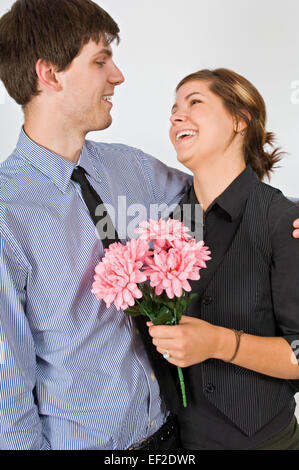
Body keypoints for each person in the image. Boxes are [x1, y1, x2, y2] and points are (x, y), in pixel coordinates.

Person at [0, 0, 191, 450]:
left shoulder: (132, 169)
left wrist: (285, 214)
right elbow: (7, 393)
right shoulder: (7, 213)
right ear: (49, 74)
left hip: (176, 434)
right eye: (100, 61)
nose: (117, 76)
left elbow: (218, 205)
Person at [148, 68, 299, 450]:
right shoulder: (168, 226)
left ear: (238, 119)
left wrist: (218, 343)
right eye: (173, 109)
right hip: (179, 443)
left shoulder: (283, 220)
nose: (176, 117)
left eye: (194, 102)